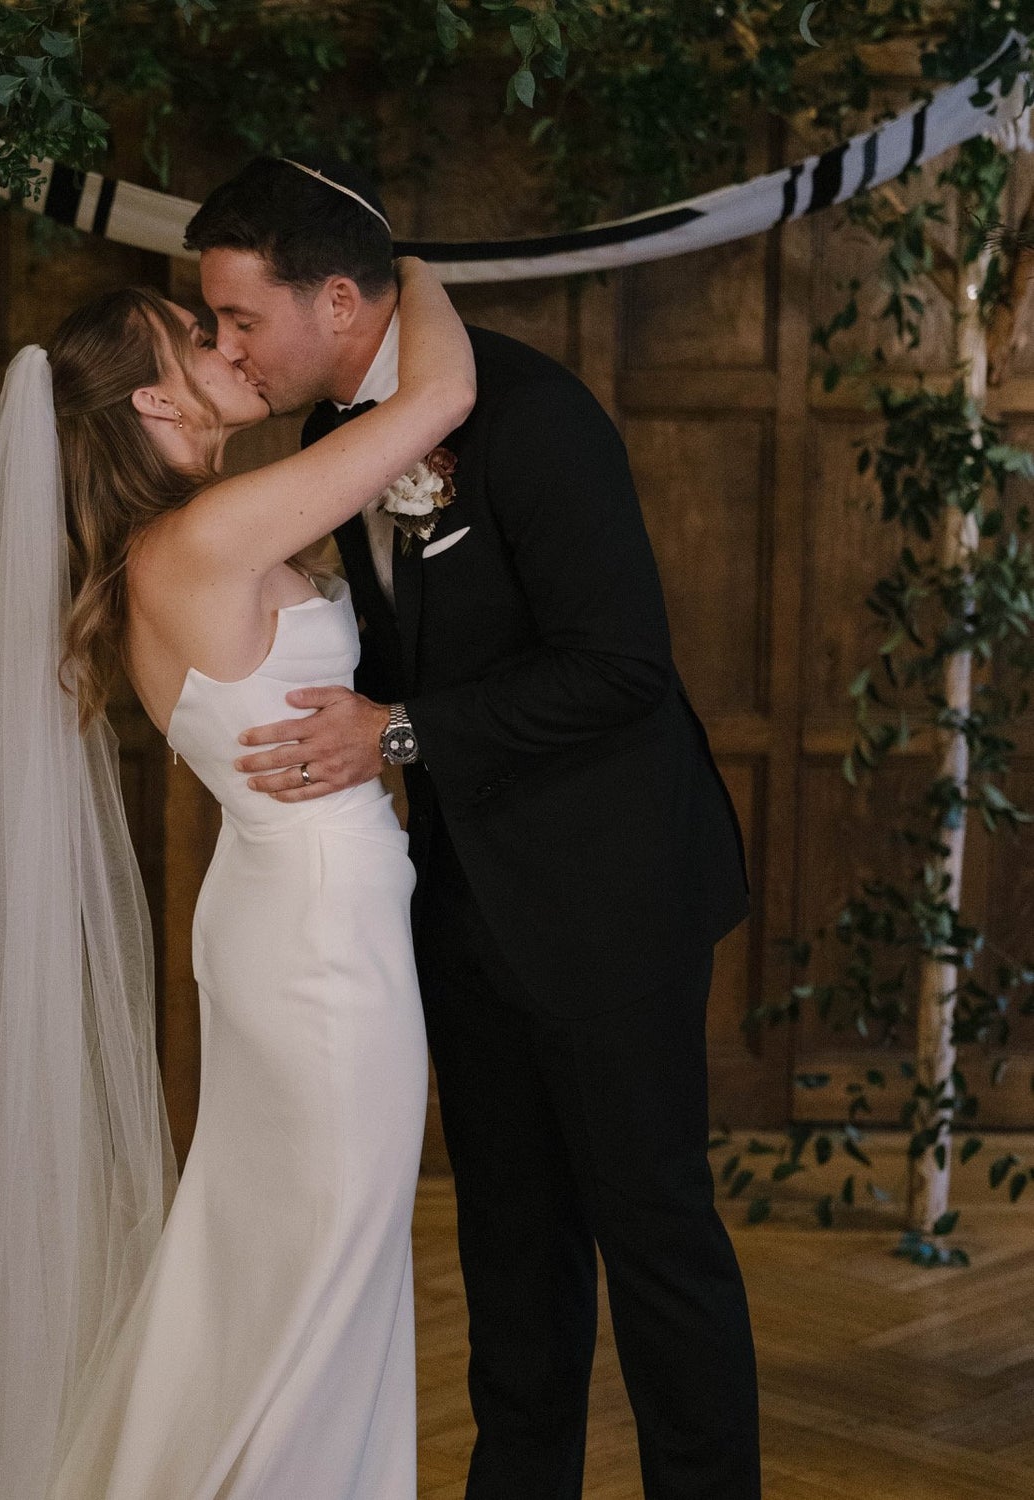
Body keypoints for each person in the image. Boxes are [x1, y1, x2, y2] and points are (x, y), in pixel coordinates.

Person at [184, 155, 761, 1500]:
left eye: (238, 320)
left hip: (614, 902)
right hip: (459, 909)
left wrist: (394, 735)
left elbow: (618, 666)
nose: (227, 348)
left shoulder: (537, 417)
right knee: (510, 1254)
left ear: (338, 299)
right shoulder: (341, 448)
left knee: (656, 1240)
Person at [0, 255, 474, 1499]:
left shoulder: (173, 546)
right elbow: (437, 397)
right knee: (323, 1259)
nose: (232, 347)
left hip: (293, 919)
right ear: (155, 407)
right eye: (197, 337)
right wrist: (405, 270)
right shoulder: (200, 539)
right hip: (315, 945)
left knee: (277, 1259)